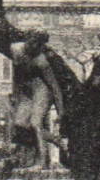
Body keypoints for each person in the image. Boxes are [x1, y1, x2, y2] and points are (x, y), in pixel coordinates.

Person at [9, 34, 65, 167]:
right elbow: (16, 75)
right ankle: (54, 139)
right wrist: (15, 93)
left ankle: (41, 160)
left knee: (35, 123)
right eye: (31, 42)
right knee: (19, 124)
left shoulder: (41, 62)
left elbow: (54, 86)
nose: (31, 46)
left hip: (43, 90)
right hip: (27, 91)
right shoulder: (15, 49)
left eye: (36, 44)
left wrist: (60, 109)